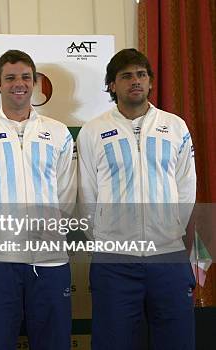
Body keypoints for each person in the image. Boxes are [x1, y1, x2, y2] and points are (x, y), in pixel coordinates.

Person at [76, 48, 196, 349]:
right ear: (112, 85)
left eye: (141, 74)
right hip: (114, 260)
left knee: (177, 341)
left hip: (167, 256)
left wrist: (170, 230)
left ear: (150, 82)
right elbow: (87, 193)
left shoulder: (175, 126)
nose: (135, 81)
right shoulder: (93, 131)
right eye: (126, 75)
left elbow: (186, 186)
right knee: (113, 342)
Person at [0, 50, 76, 350]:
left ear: (35, 82)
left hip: (50, 260)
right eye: (10, 78)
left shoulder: (58, 132)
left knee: (54, 342)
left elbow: (65, 194)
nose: (19, 84)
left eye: (25, 77)